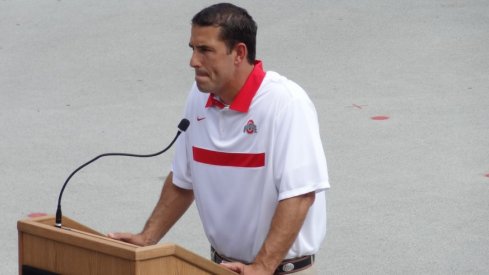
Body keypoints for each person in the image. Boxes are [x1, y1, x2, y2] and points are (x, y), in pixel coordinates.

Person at [109, 3, 329, 275]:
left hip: (280, 270)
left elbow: (299, 195)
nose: (193, 61)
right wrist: (147, 238)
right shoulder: (198, 97)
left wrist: (262, 266)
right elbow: (182, 181)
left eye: (205, 50)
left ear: (238, 53)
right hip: (221, 267)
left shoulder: (286, 103)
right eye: (192, 48)